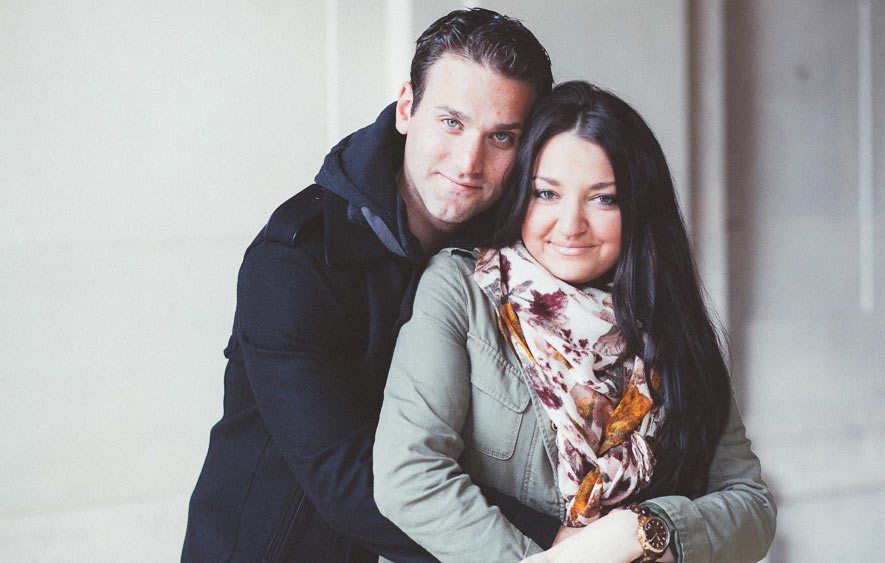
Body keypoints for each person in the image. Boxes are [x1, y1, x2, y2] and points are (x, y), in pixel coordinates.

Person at [182, 9, 562, 562]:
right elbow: (345, 477)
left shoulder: (509, 258)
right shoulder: (296, 261)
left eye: (500, 137)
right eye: (451, 122)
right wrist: (558, 541)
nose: (468, 161)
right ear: (407, 107)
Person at [373, 81, 777, 562]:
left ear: (638, 209)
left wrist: (644, 532)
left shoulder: (671, 324)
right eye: (546, 193)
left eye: (603, 199)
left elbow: (751, 506)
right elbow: (409, 474)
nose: (570, 225)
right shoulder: (464, 288)